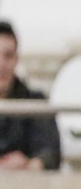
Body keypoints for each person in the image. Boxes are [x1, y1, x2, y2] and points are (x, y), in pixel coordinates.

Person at [0, 20, 61, 170]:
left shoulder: (35, 103)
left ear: (17, 59)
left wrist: (28, 166)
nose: (1, 64)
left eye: (8, 56)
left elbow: (50, 154)